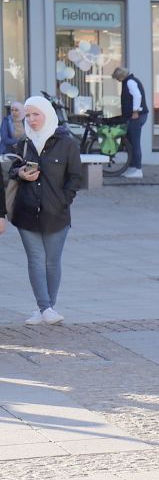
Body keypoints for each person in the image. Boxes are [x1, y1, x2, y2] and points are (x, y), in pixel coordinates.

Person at [7, 96, 82, 325]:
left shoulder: (66, 142)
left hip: (56, 212)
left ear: (47, 114)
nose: (31, 119)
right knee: (36, 259)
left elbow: (75, 177)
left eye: (35, 114)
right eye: (27, 115)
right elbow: (12, 169)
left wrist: (63, 201)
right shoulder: (24, 142)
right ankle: (45, 307)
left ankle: (48, 306)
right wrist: (20, 173)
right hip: (26, 211)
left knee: (52, 261)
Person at [111, 67, 149, 179]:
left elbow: (137, 96)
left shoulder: (130, 82)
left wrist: (135, 111)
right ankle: (132, 167)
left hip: (137, 116)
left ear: (121, 76)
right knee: (131, 142)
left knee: (135, 142)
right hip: (136, 116)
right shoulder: (130, 81)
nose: (118, 81)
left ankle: (137, 169)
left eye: (118, 78)